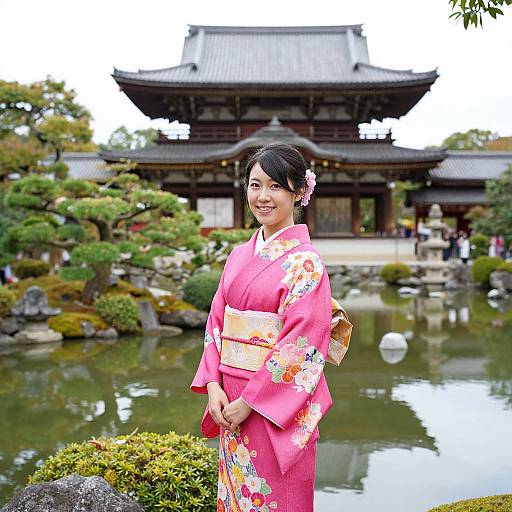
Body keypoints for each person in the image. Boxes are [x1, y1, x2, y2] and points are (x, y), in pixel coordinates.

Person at [191, 143, 351, 512]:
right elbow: (217, 321)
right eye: (255, 185)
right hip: (228, 400)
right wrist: (214, 385)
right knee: (235, 498)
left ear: (298, 193)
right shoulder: (237, 255)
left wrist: (250, 402)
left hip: (272, 406)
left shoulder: (306, 264)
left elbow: (303, 342)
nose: (263, 196)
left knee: (277, 497)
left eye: (276, 186)